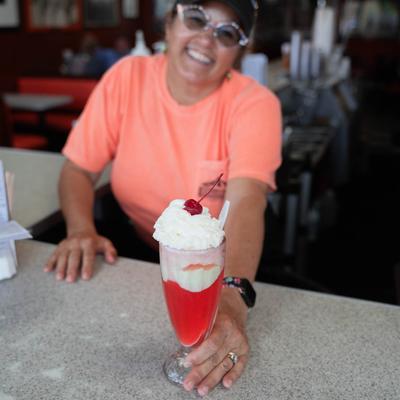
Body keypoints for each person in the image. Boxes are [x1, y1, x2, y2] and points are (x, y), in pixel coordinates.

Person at [44, 0, 281, 395]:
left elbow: (247, 201)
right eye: (196, 19)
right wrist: (81, 229)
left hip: (222, 272)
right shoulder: (126, 78)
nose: (206, 39)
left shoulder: (255, 104)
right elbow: (78, 169)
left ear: (239, 52)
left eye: (226, 33)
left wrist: (234, 299)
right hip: (136, 259)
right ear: (169, 24)